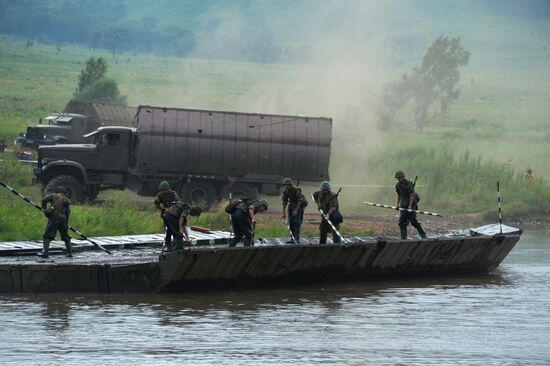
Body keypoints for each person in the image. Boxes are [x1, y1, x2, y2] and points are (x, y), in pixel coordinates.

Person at [40, 186, 72, 258]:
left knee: (47, 236)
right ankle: (70, 253)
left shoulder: (53, 195)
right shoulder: (65, 199)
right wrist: (66, 223)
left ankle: (45, 254)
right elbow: (68, 212)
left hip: (54, 218)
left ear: (56, 191)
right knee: (66, 236)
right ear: (64, 192)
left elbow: (44, 200)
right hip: (63, 220)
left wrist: (44, 209)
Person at [394, 170, 427, 239]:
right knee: (402, 222)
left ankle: (423, 236)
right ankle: (404, 238)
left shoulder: (408, 183)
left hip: (411, 204)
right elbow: (399, 195)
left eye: (400, 178)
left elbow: (412, 195)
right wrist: (397, 205)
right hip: (403, 204)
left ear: (403, 177)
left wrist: (409, 206)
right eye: (397, 178)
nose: (398, 179)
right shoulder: (397, 186)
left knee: (413, 221)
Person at [154, 181, 180, 250]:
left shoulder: (173, 194)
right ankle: (168, 245)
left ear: (168, 189)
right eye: (162, 190)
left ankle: (175, 244)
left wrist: (171, 207)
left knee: (174, 229)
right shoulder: (160, 195)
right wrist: (160, 206)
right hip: (165, 215)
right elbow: (156, 203)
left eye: (165, 190)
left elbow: (178, 203)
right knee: (168, 230)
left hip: (174, 214)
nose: (163, 191)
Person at [281, 177, 307, 243]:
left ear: (290, 185)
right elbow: (284, 202)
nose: (286, 186)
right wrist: (283, 213)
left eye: (287, 185)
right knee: (291, 223)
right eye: (285, 185)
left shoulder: (296, 190)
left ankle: (297, 239)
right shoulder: (285, 191)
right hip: (292, 204)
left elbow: (299, 200)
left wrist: (296, 210)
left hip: (299, 205)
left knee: (296, 223)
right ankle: (292, 239)